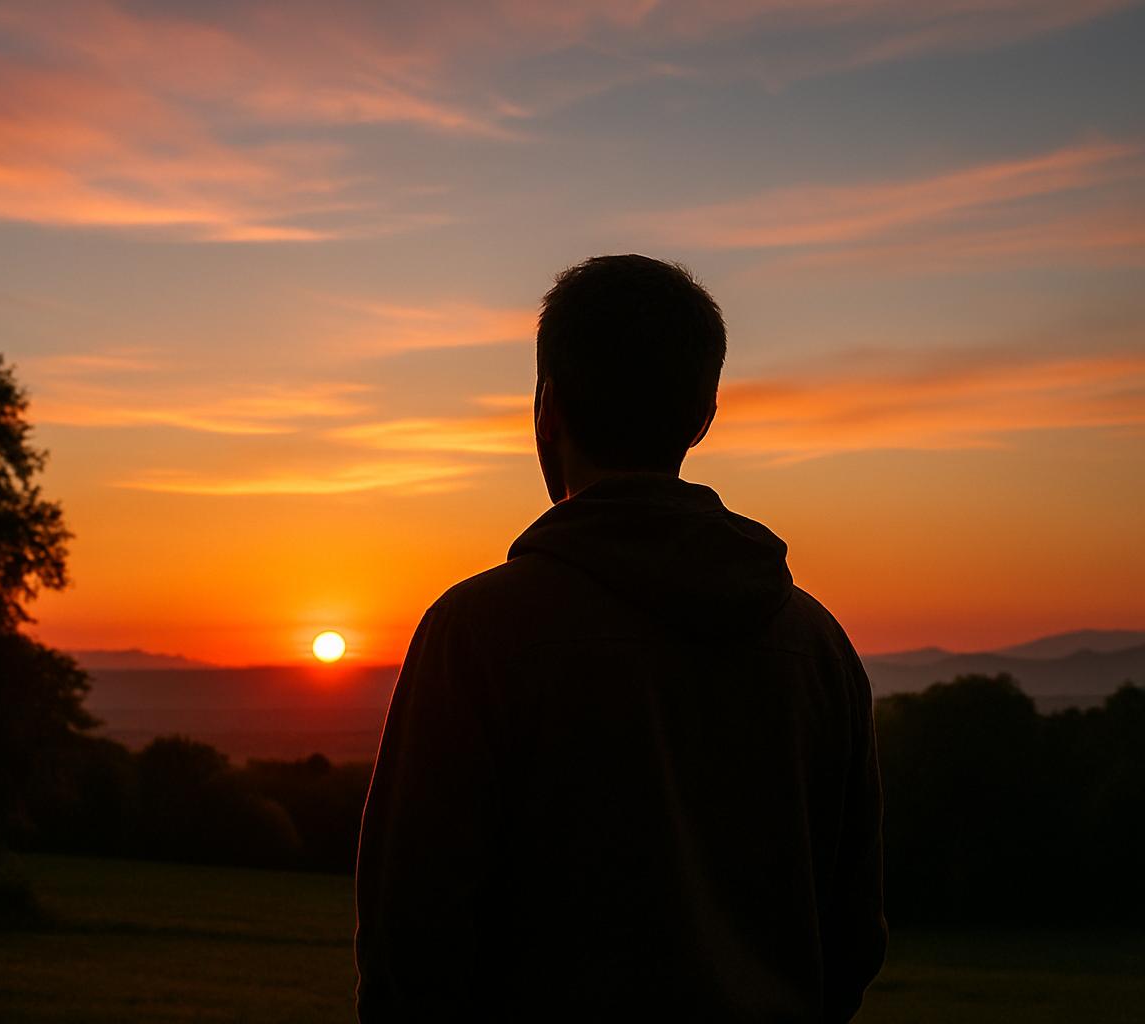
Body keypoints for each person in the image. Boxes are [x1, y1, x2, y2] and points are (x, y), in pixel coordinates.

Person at [354, 255, 886, 1021]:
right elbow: (852, 942)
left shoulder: (477, 634)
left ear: (549, 408)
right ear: (704, 414)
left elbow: (410, 948)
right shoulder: (818, 648)